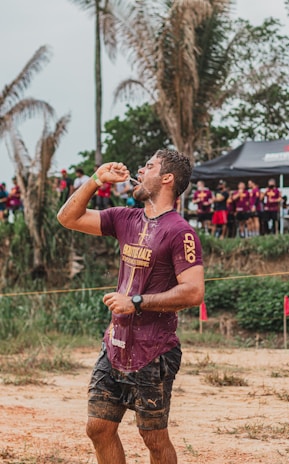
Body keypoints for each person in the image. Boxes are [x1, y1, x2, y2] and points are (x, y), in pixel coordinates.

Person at [57, 149, 205, 464]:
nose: (139, 169)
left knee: (153, 437)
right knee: (98, 428)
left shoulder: (181, 231)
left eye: (148, 166)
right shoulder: (125, 218)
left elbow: (193, 292)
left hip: (155, 351)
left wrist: (135, 302)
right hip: (115, 344)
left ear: (167, 178)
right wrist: (95, 180)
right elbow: (67, 218)